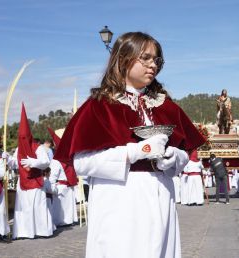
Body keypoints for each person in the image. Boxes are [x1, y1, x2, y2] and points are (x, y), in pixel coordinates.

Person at [54, 32, 205, 258]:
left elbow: (185, 153)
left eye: (156, 60)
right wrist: (138, 151)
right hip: (120, 201)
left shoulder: (166, 106)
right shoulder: (100, 106)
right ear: (124, 59)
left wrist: (173, 157)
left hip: (162, 197)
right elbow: (82, 163)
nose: (153, 65)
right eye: (145, 58)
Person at [13, 104, 54, 239]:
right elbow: (15, 163)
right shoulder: (18, 149)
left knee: (38, 207)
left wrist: (33, 162)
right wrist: (7, 160)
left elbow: (46, 162)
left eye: (25, 138)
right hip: (23, 183)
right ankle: (25, 232)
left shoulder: (38, 147)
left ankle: (42, 231)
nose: (23, 140)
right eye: (21, 138)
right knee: (25, 208)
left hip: (36, 181)